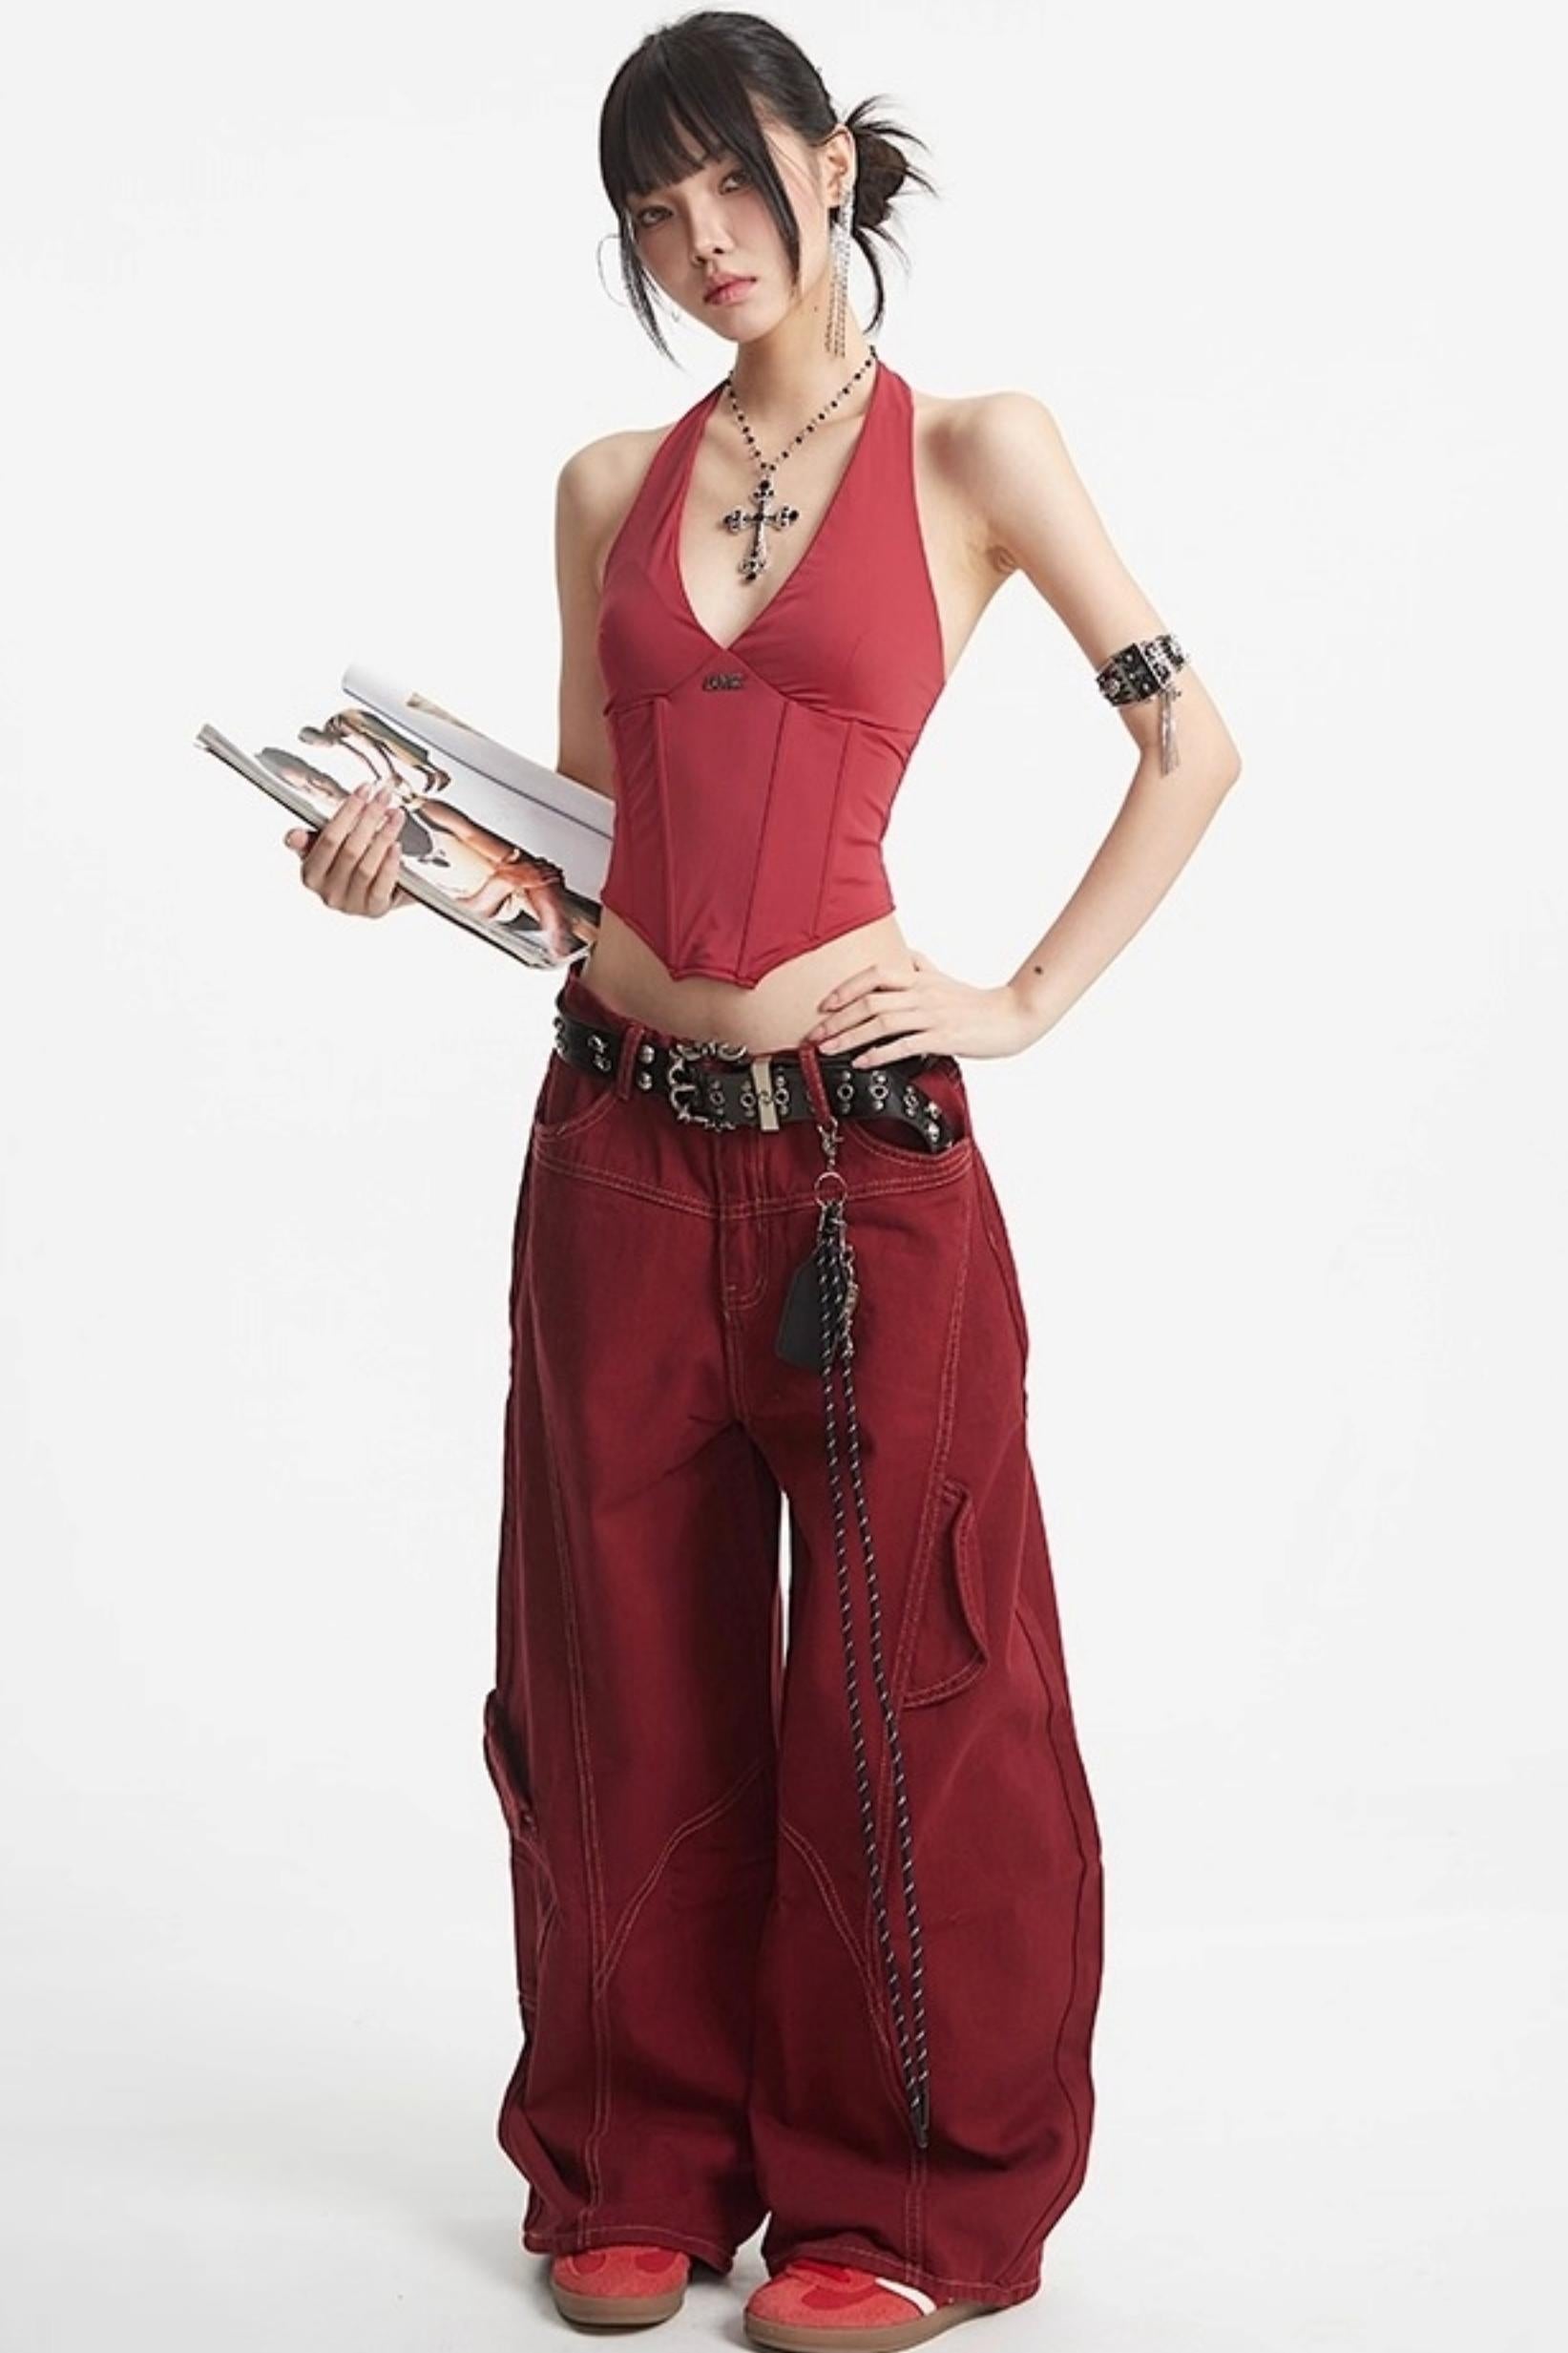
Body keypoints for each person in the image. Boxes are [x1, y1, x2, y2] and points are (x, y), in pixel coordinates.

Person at [286, 12, 1243, 2347]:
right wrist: (405, 869)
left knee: (914, 1685)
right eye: (651, 214)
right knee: (615, 1666)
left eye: (730, 183)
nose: (699, 241)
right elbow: (597, 849)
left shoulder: (980, 450)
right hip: (615, 1142)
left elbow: (1193, 746)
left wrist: (1017, 999)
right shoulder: (608, 485)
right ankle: (636, 2160)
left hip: (861, 1161)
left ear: (830, 164)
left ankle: (901, 2196)